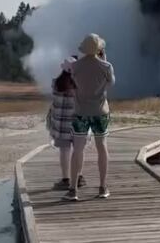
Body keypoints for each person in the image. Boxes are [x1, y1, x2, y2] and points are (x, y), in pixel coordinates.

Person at [64, 34, 115, 201]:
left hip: (80, 112)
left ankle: (73, 190)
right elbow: (110, 84)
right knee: (102, 147)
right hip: (100, 112)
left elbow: (72, 83)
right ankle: (102, 187)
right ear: (99, 48)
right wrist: (104, 60)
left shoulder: (75, 66)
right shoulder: (106, 66)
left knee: (77, 149)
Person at [47, 57, 85, 190]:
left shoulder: (55, 83)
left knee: (64, 152)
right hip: (78, 124)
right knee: (79, 151)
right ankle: (79, 177)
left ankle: (65, 179)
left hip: (61, 126)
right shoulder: (81, 85)